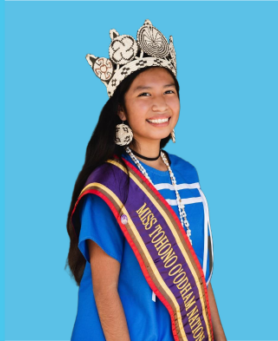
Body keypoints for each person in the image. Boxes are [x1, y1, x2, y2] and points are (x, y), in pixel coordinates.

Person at [66, 19, 227, 341]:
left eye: (169, 91)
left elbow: (200, 278)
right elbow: (104, 288)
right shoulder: (109, 184)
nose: (160, 104)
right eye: (144, 94)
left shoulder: (187, 174)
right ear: (121, 111)